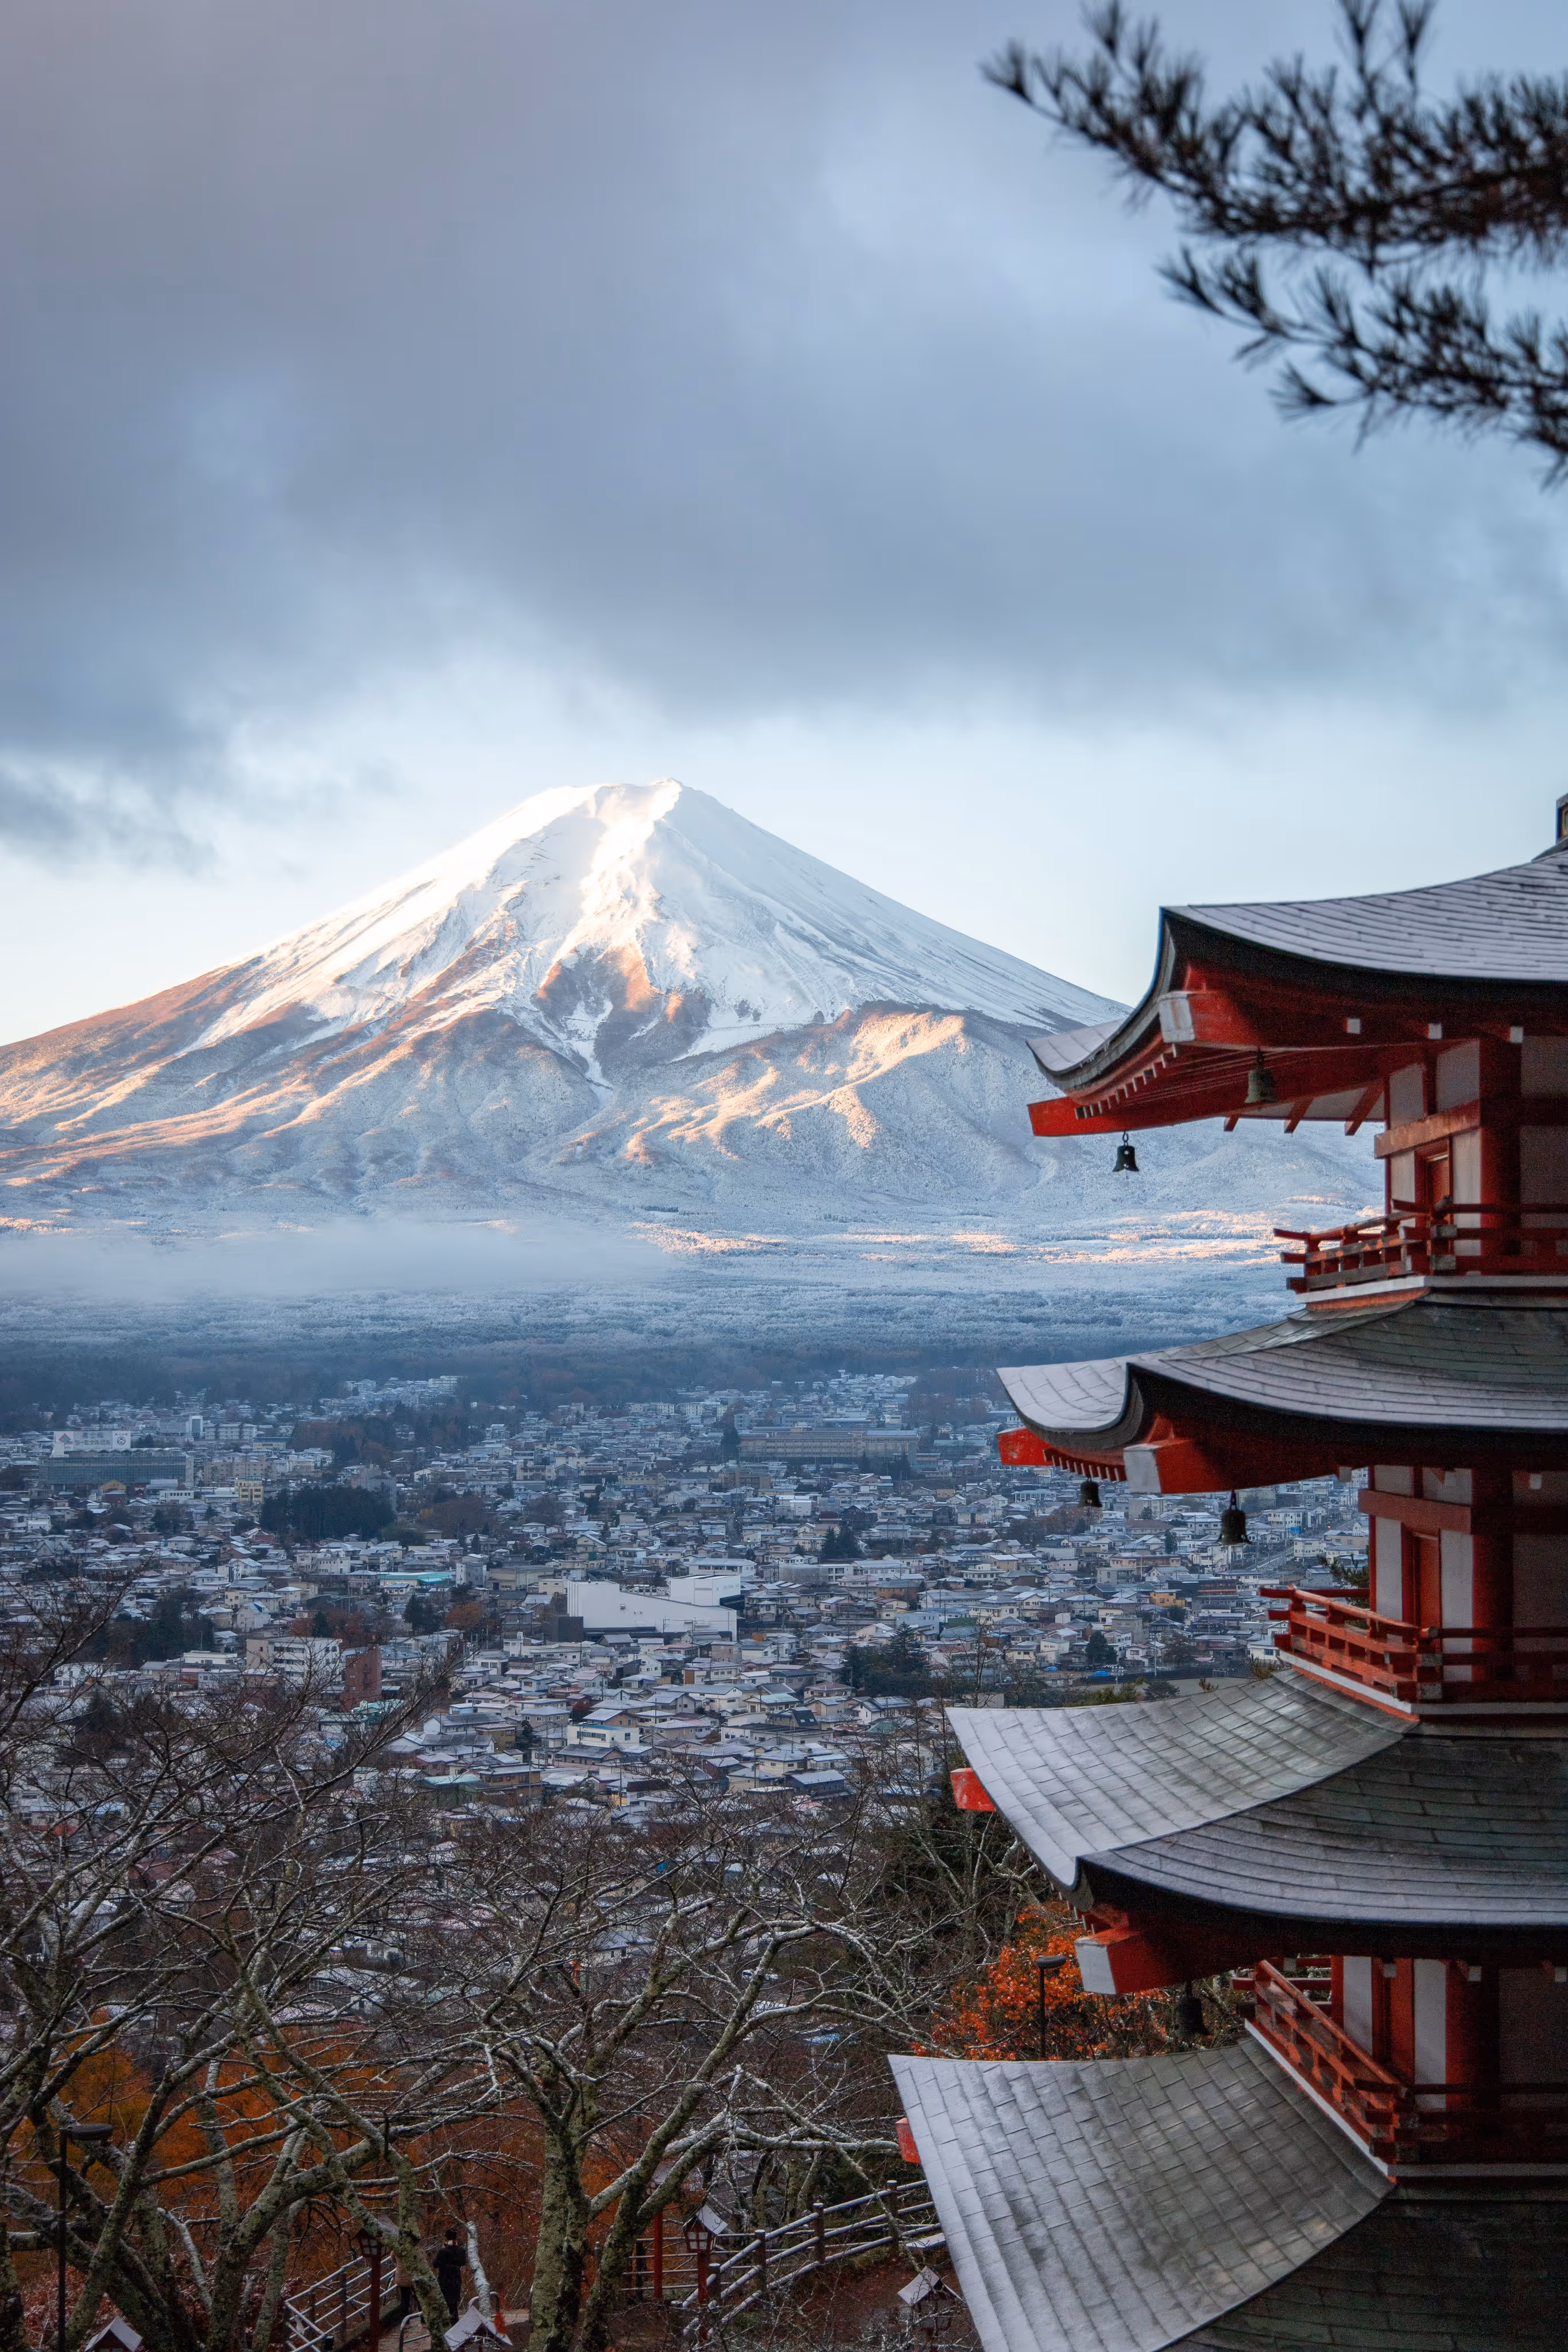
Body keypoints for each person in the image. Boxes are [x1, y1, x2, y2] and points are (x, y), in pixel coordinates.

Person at [432, 2229, 467, 2323]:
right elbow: (463, 2262)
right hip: (456, 2280)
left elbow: (435, 2264)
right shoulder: (461, 2250)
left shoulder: (443, 2251)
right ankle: (455, 2323)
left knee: (446, 2304)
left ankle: (448, 2324)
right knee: (454, 2304)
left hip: (445, 2280)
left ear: (446, 2239)